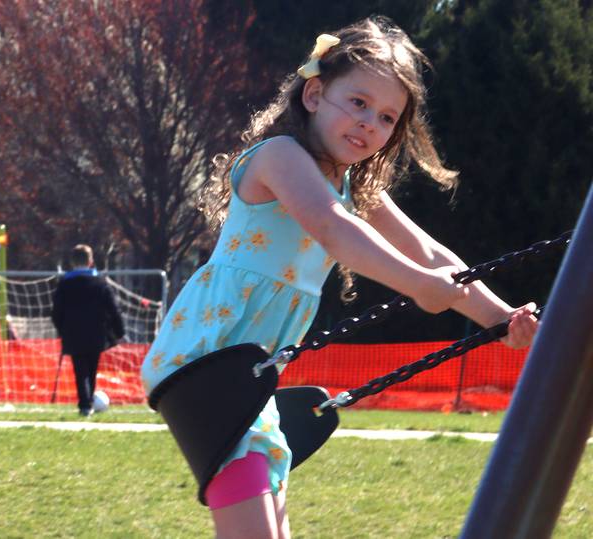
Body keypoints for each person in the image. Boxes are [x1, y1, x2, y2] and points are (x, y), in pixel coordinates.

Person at [140, 17, 539, 539]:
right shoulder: (280, 157)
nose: (370, 122)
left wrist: (499, 318)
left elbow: (429, 250)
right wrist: (418, 285)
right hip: (205, 359)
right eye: (358, 103)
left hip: (251, 373)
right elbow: (332, 228)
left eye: (387, 117)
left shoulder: (352, 187)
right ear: (313, 94)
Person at [51, 244, 125, 417]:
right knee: (92, 368)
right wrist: (119, 331)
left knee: (80, 369)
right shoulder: (100, 282)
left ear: (71, 262)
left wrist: (61, 328)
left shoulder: (64, 284)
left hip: (73, 332)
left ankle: (85, 403)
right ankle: (88, 401)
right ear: (91, 261)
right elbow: (113, 308)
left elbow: (56, 311)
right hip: (96, 332)